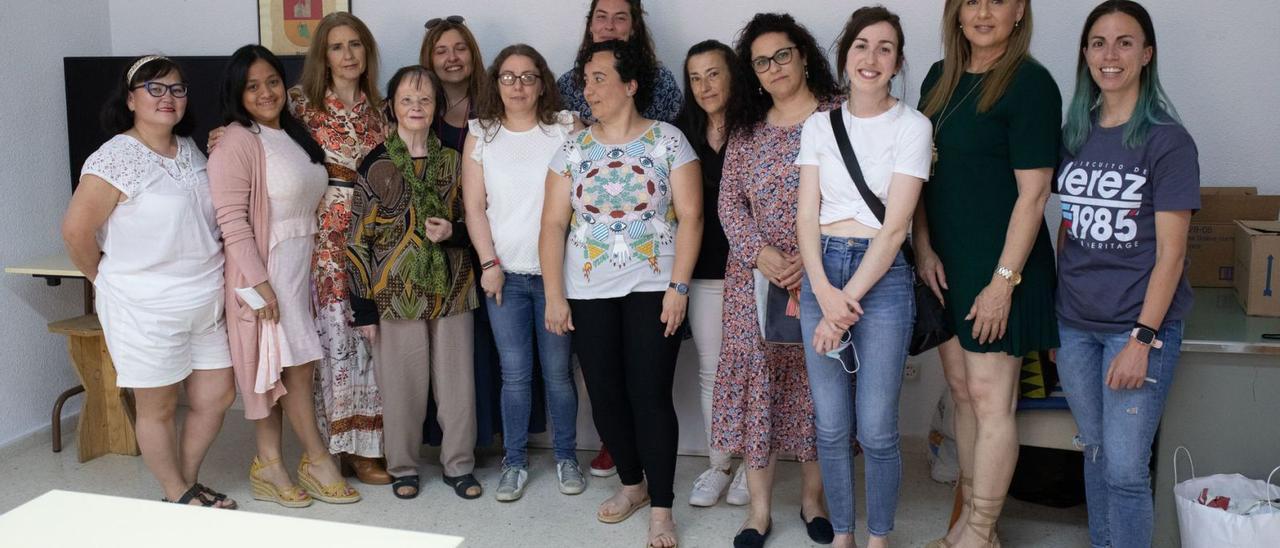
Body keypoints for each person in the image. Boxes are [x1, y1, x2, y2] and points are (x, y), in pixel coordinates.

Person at [540, 39, 702, 548]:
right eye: (586, 79)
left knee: (650, 395)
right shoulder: (572, 148)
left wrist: (678, 287)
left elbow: (693, 217)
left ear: (630, 85)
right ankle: (632, 485)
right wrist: (554, 295)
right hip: (587, 289)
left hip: (654, 287)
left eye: (599, 78)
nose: (588, 89)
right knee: (606, 396)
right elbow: (551, 225)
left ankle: (661, 509)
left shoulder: (669, 141)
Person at [62, 55, 237, 509]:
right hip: (145, 306)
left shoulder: (190, 149)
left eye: (177, 89)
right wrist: (104, 277)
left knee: (216, 394)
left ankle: (187, 480)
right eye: (154, 89)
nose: (168, 98)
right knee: (157, 407)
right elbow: (76, 232)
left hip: (205, 299)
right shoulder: (116, 157)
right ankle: (177, 493)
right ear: (130, 99)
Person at [915, 1, 1060, 546]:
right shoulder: (939, 78)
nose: (982, 11)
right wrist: (923, 246)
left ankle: (980, 529)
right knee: (962, 391)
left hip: (1003, 264)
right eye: (970, 0)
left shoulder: (1030, 84)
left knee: (991, 396)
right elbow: (920, 171)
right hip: (948, 262)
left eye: (997, 0)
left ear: (1019, 11)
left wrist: (1003, 284)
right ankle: (972, 523)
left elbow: (1034, 193)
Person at [1055, 2, 1198, 547]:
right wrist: (1057, 318)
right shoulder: (1074, 132)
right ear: (1085, 54)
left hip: (1134, 328)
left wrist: (1142, 339)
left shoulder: (1168, 141)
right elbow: (1068, 228)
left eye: (1124, 42)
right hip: (1075, 326)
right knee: (1094, 452)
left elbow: (1172, 256)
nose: (1109, 55)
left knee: (1124, 470)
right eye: (1098, 42)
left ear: (1146, 54)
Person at [795, 8, 931, 548]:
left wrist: (842, 303)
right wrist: (825, 294)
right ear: (845, 55)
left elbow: (897, 227)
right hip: (821, 270)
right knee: (830, 426)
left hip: (883, 277)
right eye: (861, 46)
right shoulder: (818, 125)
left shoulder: (913, 126)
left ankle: (878, 537)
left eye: (884, 48)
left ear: (897, 63)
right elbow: (806, 216)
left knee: (875, 427)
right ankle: (844, 534)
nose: (871, 58)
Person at [208, 44, 361, 507]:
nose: (265, 92)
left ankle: (271, 463)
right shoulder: (237, 140)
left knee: (290, 366)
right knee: (282, 367)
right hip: (265, 271)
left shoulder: (292, 133)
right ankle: (308, 459)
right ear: (238, 92)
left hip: (299, 268)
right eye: (252, 86)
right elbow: (231, 219)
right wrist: (259, 284)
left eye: (272, 81)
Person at [714, 12, 839, 547]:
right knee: (758, 391)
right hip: (755, 281)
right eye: (761, 62)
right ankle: (759, 512)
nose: (774, 67)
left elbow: (861, 197)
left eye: (782, 55)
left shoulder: (840, 117)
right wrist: (759, 252)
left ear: (804, 54)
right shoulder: (747, 130)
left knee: (819, 389)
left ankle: (813, 501)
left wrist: (809, 261)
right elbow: (728, 203)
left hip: (827, 274)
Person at [347, 65, 482, 501]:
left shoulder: (455, 160)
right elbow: (356, 242)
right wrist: (364, 308)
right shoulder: (376, 164)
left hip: (452, 286)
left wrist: (454, 232)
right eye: (407, 99)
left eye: (425, 99)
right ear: (392, 107)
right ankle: (402, 466)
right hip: (394, 293)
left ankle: (459, 465)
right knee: (402, 388)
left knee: (457, 387)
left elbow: (477, 219)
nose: (416, 107)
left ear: (437, 106)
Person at [461, 44, 586, 502]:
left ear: (542, 82)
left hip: (558, 279)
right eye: (508, 77)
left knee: (557, 374)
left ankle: (566, 457)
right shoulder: (482, 134)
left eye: (527, 76)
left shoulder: (565, 128)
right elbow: (474, 208)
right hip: (506, 277)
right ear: (496, 83)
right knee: (514, 375)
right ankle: (514, 462)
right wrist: (488, 264)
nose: (517, 86)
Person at [287, 11, 390, 486]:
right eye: (336, 46)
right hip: (322, 239)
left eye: (355, 45)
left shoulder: (384, 111)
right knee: (335, 343)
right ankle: (338, 448)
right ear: (322, 56)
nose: (348, 55)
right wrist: (223, 132)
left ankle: (370, 444)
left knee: (371, 344)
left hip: (372, 239)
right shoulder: (299, 107)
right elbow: (256, 143)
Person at [674, 39, 747, 509]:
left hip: (757, 268)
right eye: (696, 77)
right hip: (703, 270)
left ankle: (752, 466)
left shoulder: (756, 125)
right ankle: (719, 465)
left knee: (758, 371)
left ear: (732, 75)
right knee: (713, 372)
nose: (704, 86)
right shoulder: (680, 132)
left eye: (713, 74)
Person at [557, 0, 682, 125]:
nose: (609, 26)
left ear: (633, 27)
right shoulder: (566, 86)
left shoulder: (661, 81)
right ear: (590, 25)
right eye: (601, 17)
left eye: (620, 18)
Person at [420, 16, 486, 153]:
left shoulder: (496, 104)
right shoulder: (412, 107)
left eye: (461, 49)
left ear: (473, 55)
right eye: (441, 52)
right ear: (429, 60)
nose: (452, 57)